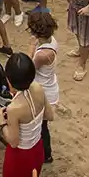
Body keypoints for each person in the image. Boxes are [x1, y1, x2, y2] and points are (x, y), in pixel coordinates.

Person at [0, 53, 52, 177]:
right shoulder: (38, 88)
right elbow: (49, 115)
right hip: (37, 149)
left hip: (20, 158)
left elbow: (13, 141)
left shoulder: (14, 109)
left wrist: (1, 118)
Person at [25, 10, 58, 162]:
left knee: (41, 126)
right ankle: (45, 154)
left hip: (44, 92)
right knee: (41, 126)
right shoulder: (51, 40)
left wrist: (31, 46)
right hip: (48, 85)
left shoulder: (42, 54)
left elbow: (28, 68)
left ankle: (46, 155)